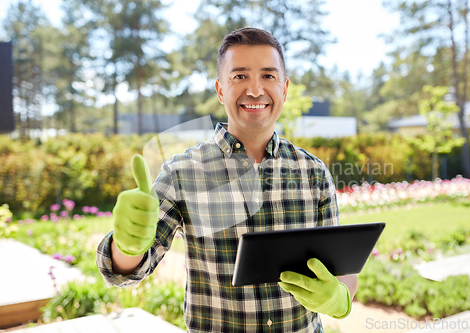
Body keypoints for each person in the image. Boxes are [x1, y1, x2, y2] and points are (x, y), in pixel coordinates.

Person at [96, 27, 358, 332]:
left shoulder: (313, 172)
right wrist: (127, 245)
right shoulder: (182, 172)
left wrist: (339, 299)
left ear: (284, 89)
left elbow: (342, 273)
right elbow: (124, 271)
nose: (256, 90)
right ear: (221, 90)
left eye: (268, 76)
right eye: (240, 76)